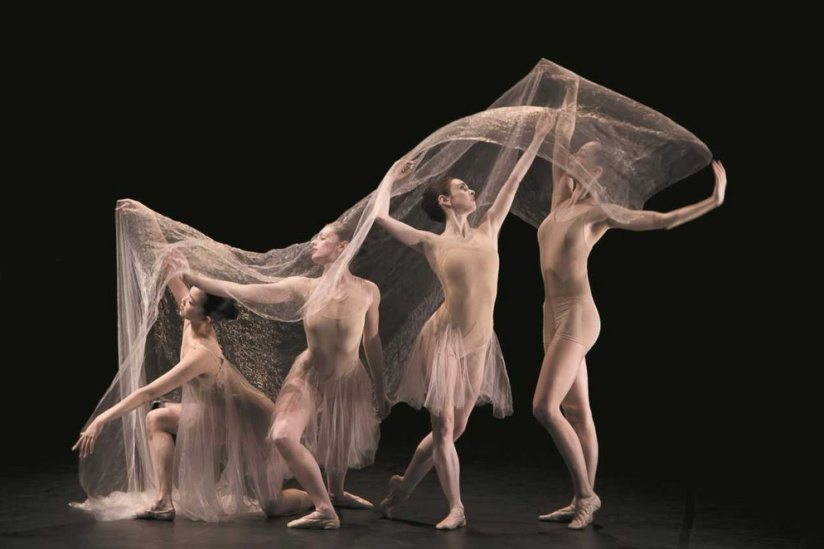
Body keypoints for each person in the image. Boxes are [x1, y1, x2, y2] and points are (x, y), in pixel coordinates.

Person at [533, 129, 727, 529]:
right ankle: (578, 497)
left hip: (577, 316)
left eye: (582, 154)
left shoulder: (598, 212)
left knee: (544, 407)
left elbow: (662, 220)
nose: (572, 156)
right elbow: (558, 140)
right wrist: (565, 93)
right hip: (550, 316)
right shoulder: (559, 198)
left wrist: (713, 200)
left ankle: (587, 496)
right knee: (576, 409)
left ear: (596, 169)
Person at [73, 199, 311, 522]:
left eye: (191, 299)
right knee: (156, 420)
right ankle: (162, 502)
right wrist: (144, 213)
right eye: (188, 295)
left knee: (271, 505)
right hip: (214, 413)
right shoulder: (192, 315)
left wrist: (101, 420)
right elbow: (168, 261)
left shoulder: (202, 354)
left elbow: (147, 393)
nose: (183, 299)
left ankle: (314, 496)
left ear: (208, 316)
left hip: (253, 422)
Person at [376, 112, 554, 529]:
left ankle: (402, 487)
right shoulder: (432, 243)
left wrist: (538, 138)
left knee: (455, 431)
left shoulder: (489, 228)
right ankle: (456, 507)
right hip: (443, 340)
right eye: (462, 187)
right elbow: (381, 217)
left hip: (479, 341)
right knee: (442, 429)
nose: (472, 190)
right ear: (444, 201)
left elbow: (511, 180)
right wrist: (390, 174)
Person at [185, 221, 389, 530]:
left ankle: (335, 492)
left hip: (348, 377)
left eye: (323, 237)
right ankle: (324, 509)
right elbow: (245, 290)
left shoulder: (368, 291)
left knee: (338, 442)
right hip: (310, 374)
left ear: (343, 247)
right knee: (282, 435)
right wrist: (192, 276)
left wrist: (381, 387)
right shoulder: (302, 287)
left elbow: (371, 341)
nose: (313, 242)